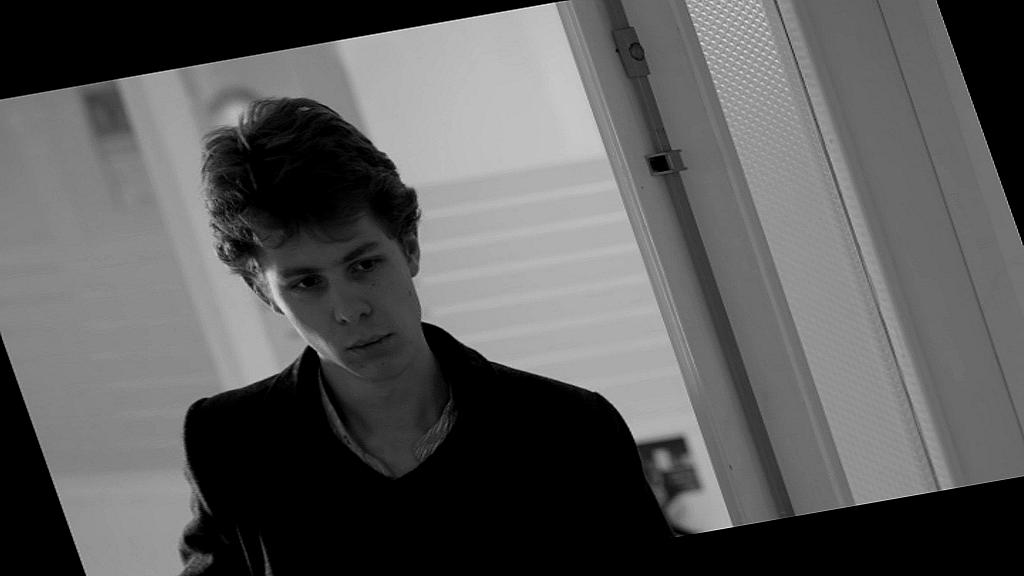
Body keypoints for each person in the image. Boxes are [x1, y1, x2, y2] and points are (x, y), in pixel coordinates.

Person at [178, 97, 673, 573]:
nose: (349, 310)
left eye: (364, 265)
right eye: (306, 283)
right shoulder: (228, 443)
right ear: (264, 294)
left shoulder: (569, 429)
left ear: (410, 248)